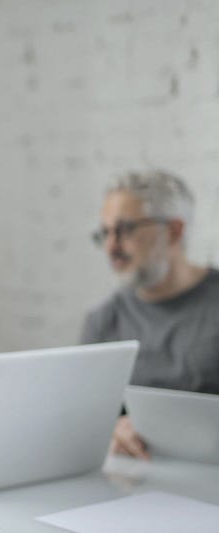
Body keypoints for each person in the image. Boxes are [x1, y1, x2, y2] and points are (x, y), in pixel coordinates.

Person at [81, 170, 219, 459]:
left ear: (174, 231)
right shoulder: (103, 321)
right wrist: (114, 429)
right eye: (105, 233)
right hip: (137, 482)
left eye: (125, 230)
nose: (111, 247)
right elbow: (90, 419)